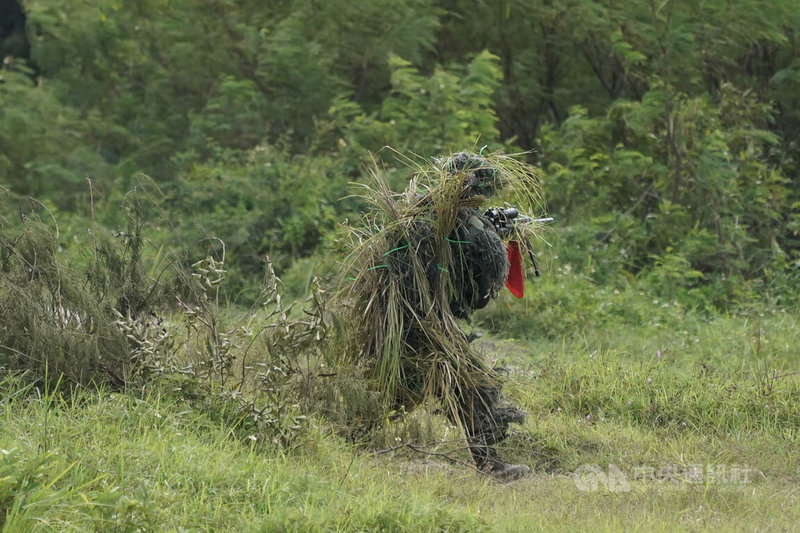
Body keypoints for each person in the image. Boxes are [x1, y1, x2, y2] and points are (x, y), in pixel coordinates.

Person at [337, 151, 537, 480]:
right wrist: (495, 241)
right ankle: (491, 467)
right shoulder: (459, 225)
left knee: (397, 390)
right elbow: (474, 298)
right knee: (476, 388)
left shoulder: (421, 212)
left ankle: (341, 437)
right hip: (425, 324)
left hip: (404, 321)